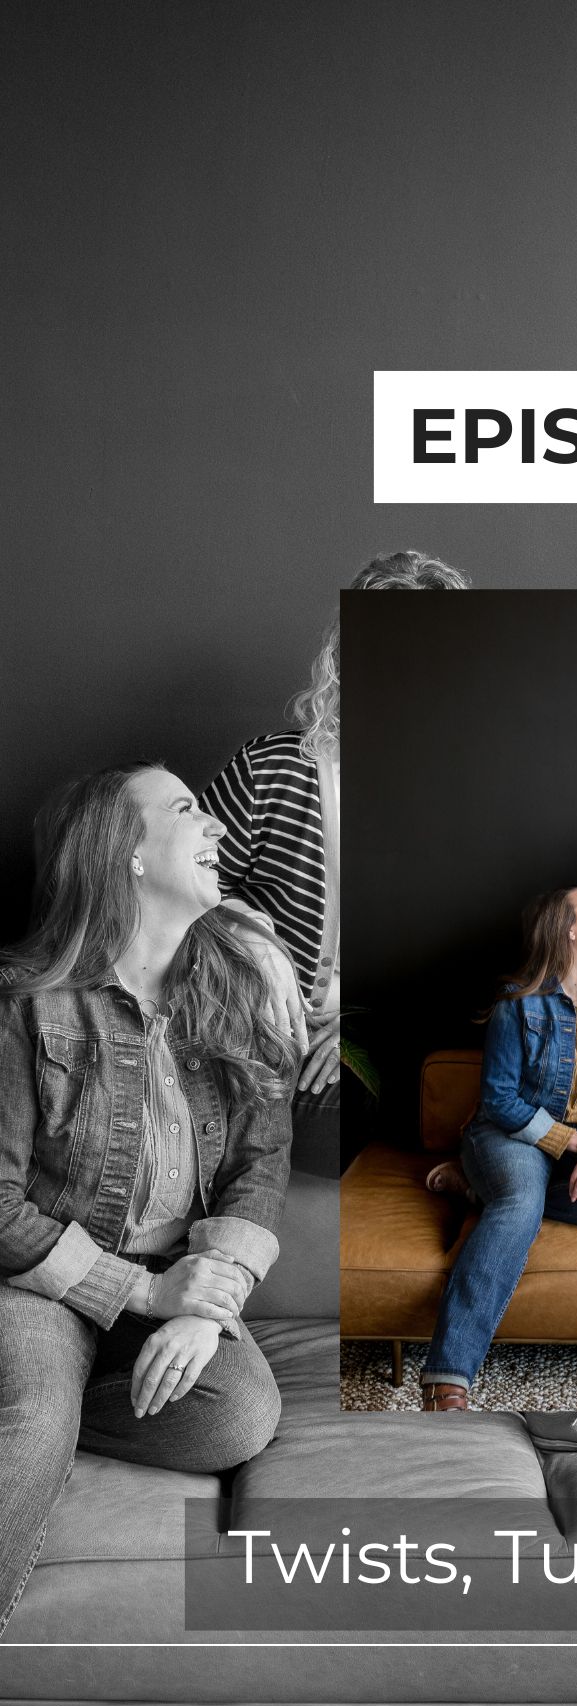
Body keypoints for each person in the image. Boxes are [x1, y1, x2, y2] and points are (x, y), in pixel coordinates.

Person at [0, 765, 297, 1635]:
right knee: (33, 1416)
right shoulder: (25, 996)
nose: (214, 826)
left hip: (173, 1278)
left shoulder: (236, 985)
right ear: (125, 852)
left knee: (239, 1413)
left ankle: (54, 1397)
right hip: (42, 1279)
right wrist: (136, 1294)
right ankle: (40, 1403)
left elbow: (262, 1162)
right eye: (185, 809)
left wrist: (207, 1301)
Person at [200, 550, 469, 1174]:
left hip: (381, 1030)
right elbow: (182, 887)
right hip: (257, 1016)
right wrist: (258, 943)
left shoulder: (455, 790)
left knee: (354, 1106)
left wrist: (352, 1025)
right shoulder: (275, 765)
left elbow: (453, 946)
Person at [421, 889, 577, 1413]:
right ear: (567, 930)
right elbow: (499, 1099)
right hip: (508, 1133)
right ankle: (446, 1378)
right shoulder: (517, 1001)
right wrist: (573, 1140)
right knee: (520, 1204)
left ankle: (476, 1186)